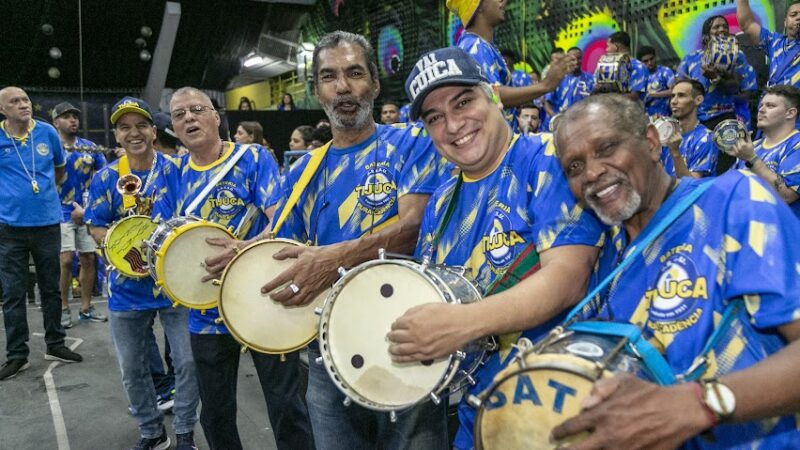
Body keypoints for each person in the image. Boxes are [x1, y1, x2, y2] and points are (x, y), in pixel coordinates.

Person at [200, 30, 449, 450]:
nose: (343, 87)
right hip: (327, 349)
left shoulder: (411, 142)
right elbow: (281, 240)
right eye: (330, 77)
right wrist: (244, 254)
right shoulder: (302, 171)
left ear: (373, 81)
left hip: (407, 339)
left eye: (354, 73)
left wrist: (333, 259)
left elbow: (413, 227)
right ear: (317, 90)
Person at [551, 93, 800, 449]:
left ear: (652, 143)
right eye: (574, 167)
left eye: (606, 148)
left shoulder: (732, 199)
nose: (592, 172)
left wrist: (700, 404)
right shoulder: (611, 259)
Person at [386, 46, 604, 450]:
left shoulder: (547, 160)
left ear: (494, 95)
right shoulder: (441, 199)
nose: (453, 125)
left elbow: (567, 278)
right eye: (434, 118)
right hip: (478, 415)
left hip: (559, 410)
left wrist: (460, 324)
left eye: (463, 101)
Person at [152, 87, 313, 450]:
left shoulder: (252, 158)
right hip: (205, 312)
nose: (189, 118)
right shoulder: (172, 173)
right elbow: (165, 243)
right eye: (179, 115)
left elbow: (284, 224)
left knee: (287, 404)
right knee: (216, 412)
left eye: (197, 109)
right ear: (173, 129)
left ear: (215, 116)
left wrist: (243, 249)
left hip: (262, 300)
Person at [84, 96, 199, 450]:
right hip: (125, 288)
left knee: (189, 364)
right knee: (133, 369)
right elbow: (95, 226)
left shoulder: (178, 170)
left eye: (140, 125)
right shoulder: (106, 177)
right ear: (116, 135)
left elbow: (193, 219)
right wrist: (119, 245)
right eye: (124, 127)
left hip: (176, 285)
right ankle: (152, 433)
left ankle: (184, 434)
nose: (133, 133)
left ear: (153, 130)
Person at [0, 87, 82, 381]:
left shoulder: (47, 132)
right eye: (15, 102)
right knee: (12, 293)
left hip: (47, 223)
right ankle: (17, 356)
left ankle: (56, 344)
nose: (23, 105)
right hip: (9, 228)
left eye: (25, 100)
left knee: (51, 288)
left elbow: (59, 171)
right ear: (2, 110)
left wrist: (41, 194)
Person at [447, 0, 574, 113]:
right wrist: (545, 85)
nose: (504, 1)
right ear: (478, 7)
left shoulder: (480, 45)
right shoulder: (475, 46)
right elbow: (491, 95)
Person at [51, 102, 107, 328]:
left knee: (88, 258)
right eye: (66, 117)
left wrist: (91, 207)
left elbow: (104, 176)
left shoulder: (89, 147)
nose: (73, 120)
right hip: (58, 211)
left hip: (84, 212)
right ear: (56, 122)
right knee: (65, 260)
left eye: (75, 116)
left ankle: (86, 307)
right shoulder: (51, 147)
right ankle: (63, 308)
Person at [678, 15, 757, 174]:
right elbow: (678, 86)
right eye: (716, 27)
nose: (722, 30)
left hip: (724, 118)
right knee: (698, 168)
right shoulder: (691, 59)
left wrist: (716, 78)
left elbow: (741, 90)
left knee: (726, 167)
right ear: (707, 34)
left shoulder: (737, 56)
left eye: (725, 27)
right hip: (697, 121)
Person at [730, 85, 800, 217]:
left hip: (783, 233)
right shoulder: (751, 147)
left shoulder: (796, 145)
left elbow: (786, 196)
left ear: (790, 113)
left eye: (770, 106)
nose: (761, 110)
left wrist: (752, 159)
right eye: (761, 105)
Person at [661, 79, 718, 178]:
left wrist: (675, 153)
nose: (674, 101)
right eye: (672, 96)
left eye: (681, 95)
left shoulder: (706, 138)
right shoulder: (665, 135)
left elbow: (691, 186)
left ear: (698, 100)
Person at [737, 0, 800, 88]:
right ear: (785, 22)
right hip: (773, 98)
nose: (798, 17)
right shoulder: (774, 41)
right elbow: (747, 24)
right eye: (793, 15)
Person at [544, 46, 593, 130]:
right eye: (573, 59)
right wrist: (556, 118)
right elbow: (547, 103)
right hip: (560, 126)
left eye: (579, 59)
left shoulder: (591, 79)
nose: (576, 62)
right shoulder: (557, 78)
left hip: (583, 125)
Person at [606, 31, 649, 102]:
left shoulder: (638, 67)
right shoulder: (609, 67)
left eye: (608, 46)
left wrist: (606, 98)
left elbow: (634, 96)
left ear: (616, 46)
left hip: (632, 112)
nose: (606, 50)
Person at [638, 45, 675, 118]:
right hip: (645, 118)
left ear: (655, 57)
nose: (649, 63)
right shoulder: (638, 77)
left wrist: (652, 94)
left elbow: (674, 91)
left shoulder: (665, 71)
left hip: (665, 117)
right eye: (645, 61)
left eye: (651, 59)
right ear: (640, 62)